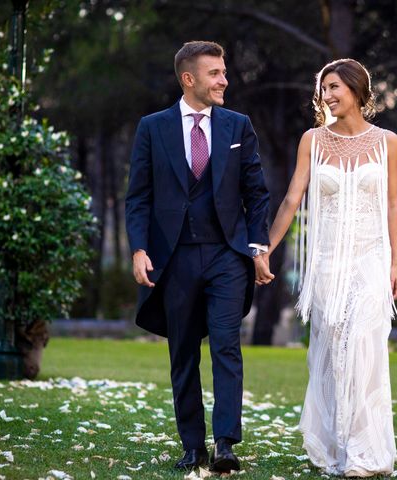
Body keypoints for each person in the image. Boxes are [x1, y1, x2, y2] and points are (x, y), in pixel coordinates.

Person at [125, 40, 272, 473]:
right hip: (174, 258)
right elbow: (138, 197)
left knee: (227, 346)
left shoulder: (238, 125)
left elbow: (256, 193)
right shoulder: (152, 127)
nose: (224, 79)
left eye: (224, 72)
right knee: (183, 353)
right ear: (189, 79)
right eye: (215, 73)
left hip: (228, 255)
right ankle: (193, 446)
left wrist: (258, 248)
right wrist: (138, 249)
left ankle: (225, 443)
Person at [259, 58, 397, 477]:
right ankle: (339, 447)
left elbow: (392, 204)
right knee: (335, 352)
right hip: (327, 264)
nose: (328, 95)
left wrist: (395, 262)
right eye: (324, 88)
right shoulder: (313, 140)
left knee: (364, 346)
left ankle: (365, 452)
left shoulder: (387, 141)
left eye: (335, 86)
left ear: (358, 90)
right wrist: (266, 249)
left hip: (371, 258)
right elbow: (291, 199)